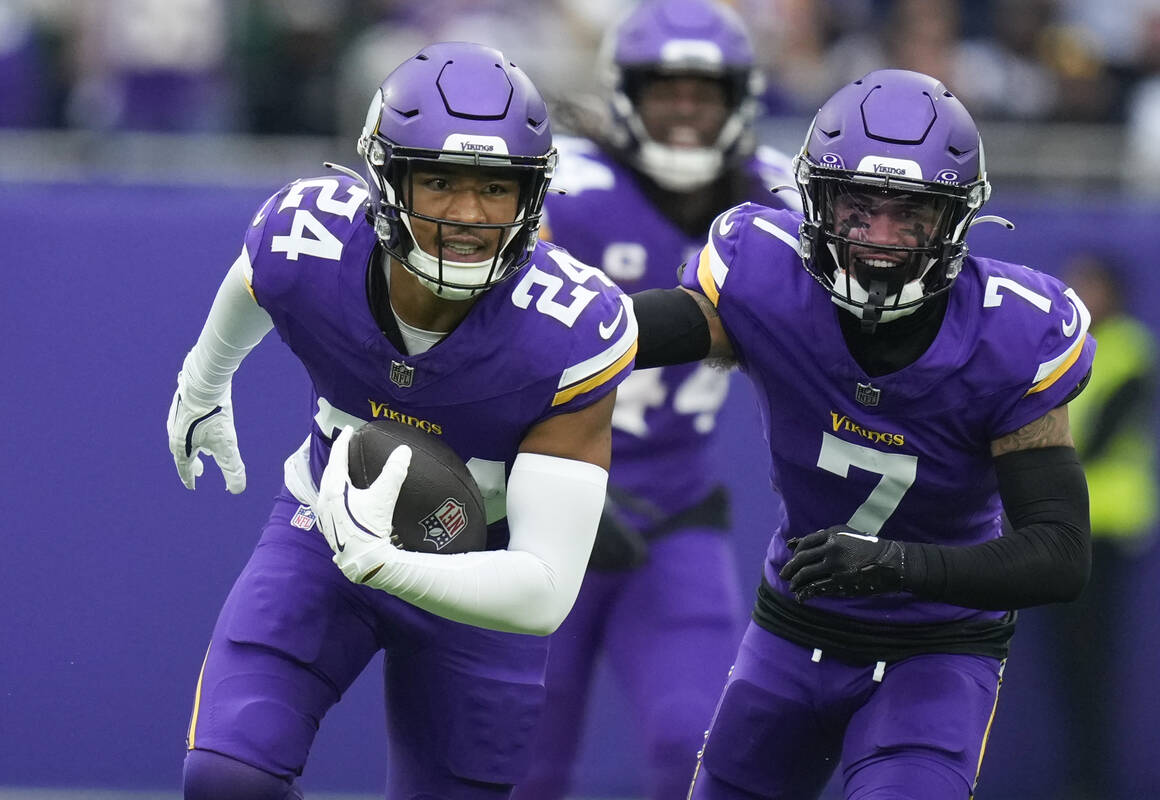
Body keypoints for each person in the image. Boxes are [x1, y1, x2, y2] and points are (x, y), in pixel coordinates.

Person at [166, 42, 637, 800]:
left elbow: (545, 587)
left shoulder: (571, 329)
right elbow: (253, 279)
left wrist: (392, 567)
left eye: (495, 187)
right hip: (321, 529)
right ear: (387, 180)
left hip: (487, 571)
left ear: (532, 196)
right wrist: (203, 381)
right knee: (226, 779)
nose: (467, 214)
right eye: (440, 181)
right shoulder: (309, 238)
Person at [630, 68, 1096, 799]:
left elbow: (1061, 553)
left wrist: (900, 565)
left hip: (938, 647)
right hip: (792, 628)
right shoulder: (763, 277)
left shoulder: (1012, 332)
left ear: (955, 220)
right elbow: (618, 334)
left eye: (910, 214)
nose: (880, 239)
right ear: (817, 200)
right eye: (858, 207)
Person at [513, 2, 801, 798]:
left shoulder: (780, 203)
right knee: (517, 765)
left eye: (701, 92)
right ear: (625, 93)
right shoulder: (567, 188)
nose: (683, 107)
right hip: (532, 507)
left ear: (738, 98)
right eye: (664, 88)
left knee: (697, 746)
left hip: (674, 515)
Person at [1041, 253, 1160, 800]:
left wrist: (1036, 461)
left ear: (1114, 290)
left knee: (1092, 661)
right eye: (1076, 281)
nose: (1081, 290)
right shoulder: (1060, 346)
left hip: (1107, 530)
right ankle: (1080, 778)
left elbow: (1099, 437)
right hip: (1059, 524)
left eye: (1091, 282)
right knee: (1067, 662)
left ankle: (1091, 781)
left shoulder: (1136, 351)